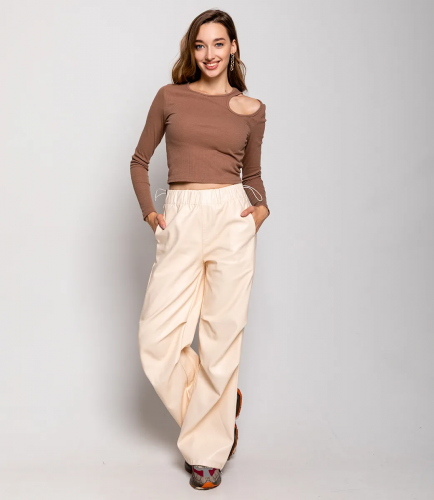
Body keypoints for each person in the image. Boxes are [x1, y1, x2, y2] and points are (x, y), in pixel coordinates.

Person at [130, 9, 270, 490]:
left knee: (220, 338)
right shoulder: (170, 97)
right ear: (192, 50)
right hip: (183, 214)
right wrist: (152, 214)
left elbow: (252, 175)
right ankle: (220, 407)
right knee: (156, 340)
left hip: (232, 218)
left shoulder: (253, 109)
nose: (209, 54)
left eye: (218, 43)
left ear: (233, 47)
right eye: (200, 45)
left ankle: (208, 453)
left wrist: (261, 208)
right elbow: (140, 160)